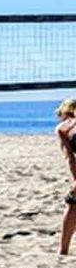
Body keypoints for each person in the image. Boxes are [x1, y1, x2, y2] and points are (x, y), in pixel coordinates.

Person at [56, 100, 76, 255]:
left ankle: (63, 250)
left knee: (72, 205)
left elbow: (70, 160)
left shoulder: (62, 129)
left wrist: (74, 182)